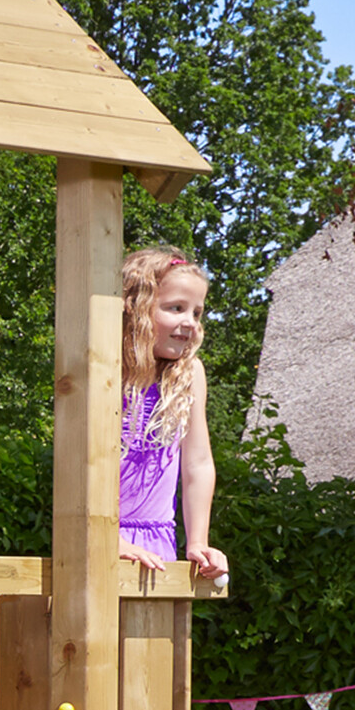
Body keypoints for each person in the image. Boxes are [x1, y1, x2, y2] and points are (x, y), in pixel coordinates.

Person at [118, 248, 229, 583]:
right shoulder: (106, 370)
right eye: (176, 308)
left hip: (159, 543)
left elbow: (197, 463)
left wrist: (198, 541)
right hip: (95, 538)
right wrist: (106, 539)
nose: (190, 323)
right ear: (136, 307)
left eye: (197, 313)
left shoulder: (188, 375)